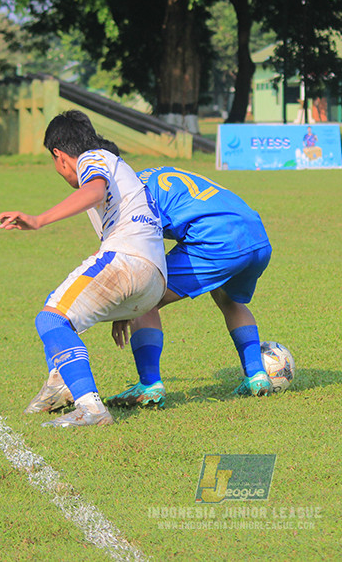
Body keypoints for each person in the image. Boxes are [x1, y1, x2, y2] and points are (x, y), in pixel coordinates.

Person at [0, 110, 166, 427]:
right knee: (56, 303)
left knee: (50, 319)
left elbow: (94, 190)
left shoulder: (90, 158)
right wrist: (125, 306)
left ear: (59, 155)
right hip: (153, 280)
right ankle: (59, 385)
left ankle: (91, 408)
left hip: (127, 260)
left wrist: (38, 219)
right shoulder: (119, 167)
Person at [106, 165, 274, 409]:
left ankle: (149, 384)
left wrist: (128, 303)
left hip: (216, 240)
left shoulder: (131, 192)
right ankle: (257, 376)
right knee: (227, 297)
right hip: (257, 235)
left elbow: (137, 250)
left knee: (145, 296)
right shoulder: (156, 172)